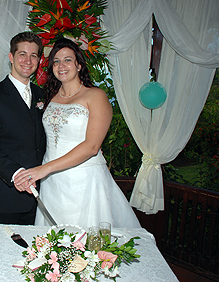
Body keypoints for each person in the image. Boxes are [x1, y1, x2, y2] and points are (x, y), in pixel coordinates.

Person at [14, 38, 141, 228]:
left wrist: (44, 169)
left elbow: (92, 146)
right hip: (52, 182)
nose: (61, 65)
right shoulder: (49, 96)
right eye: (56, 61)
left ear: (79, 65)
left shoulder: (96, 96)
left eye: (67, 60)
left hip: (84, 180)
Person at [0, 32, 46, 225]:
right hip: (5, 198)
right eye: (22, 54)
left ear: (39, 60)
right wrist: (17, 174)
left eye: (33, 55)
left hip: (41, 196)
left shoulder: (43, 95)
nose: (28, 60)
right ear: (11, 57)